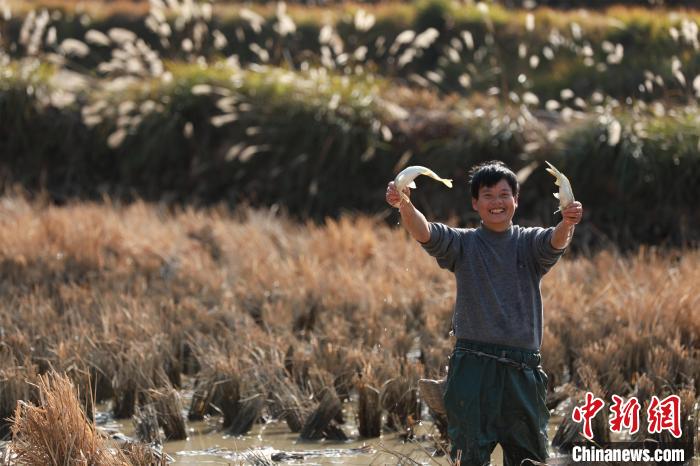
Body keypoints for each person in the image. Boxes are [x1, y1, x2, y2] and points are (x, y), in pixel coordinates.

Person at [385, 161, 583, 466]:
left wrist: (568, 221)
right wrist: (404, 203)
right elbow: (424, 232)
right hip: (472, 368)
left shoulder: (529, 243)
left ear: (515, 200)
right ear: (475, 203)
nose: (497, 203)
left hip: (522, 370)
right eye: (488, 195)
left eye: (504, 195)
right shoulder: (463, 244)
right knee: (469, 457)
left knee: (529, 457)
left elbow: (555, 241)